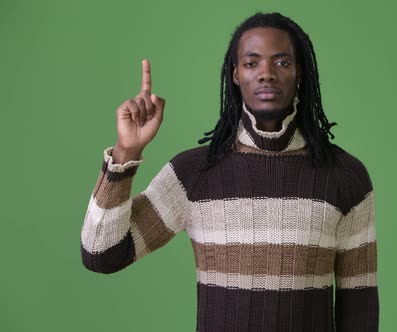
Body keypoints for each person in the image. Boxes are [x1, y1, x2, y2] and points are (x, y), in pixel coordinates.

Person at [80, 12, 379, 332]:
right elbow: (102, 255)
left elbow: (358, 307)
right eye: (252, 63)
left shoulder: (345, 176)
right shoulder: (194, 174)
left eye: (281, 62)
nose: (266, 74)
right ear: (235, 74)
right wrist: (127, 151)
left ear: (300, 72)